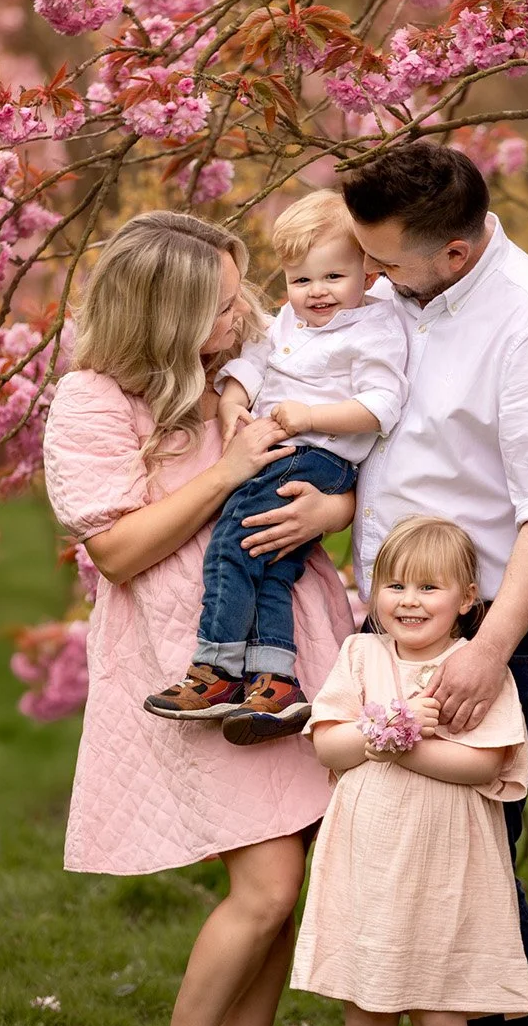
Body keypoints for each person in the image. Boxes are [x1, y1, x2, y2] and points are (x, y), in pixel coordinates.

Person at [242, 142, 528, 1026]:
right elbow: (397, 442)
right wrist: (338, 507)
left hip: (491, 631)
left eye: (385, 263)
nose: (370, 279)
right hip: (391, 623)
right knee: (421, 864)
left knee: (475, 871)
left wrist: (489, 650)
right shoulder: (405, 298)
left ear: (455, 245)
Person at [42, 211, 356, 1026]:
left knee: (287, 874)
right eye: (222, 304)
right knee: (265, 883)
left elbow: (340, 463)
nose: (246, 314)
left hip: (294, 642)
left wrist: (331, 506)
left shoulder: (247, 375)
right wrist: (224, 473)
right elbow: (120, 549)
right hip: (196, 660)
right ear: (166, 312)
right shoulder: (93, 401)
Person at [291, 516, 528, 1026]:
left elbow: (483, 767)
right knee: (366, 1011)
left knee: (440, 1013)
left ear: (467, 599)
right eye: (394, 583)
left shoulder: (476, 670)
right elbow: (327, 744)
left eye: (430, 585)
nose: (410, 599)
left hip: (445, 866)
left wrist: (413, 744)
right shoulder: (361, 658)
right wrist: (383, 729)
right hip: (370, 859)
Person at [144, 192, 407, 745]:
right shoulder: (289, 320)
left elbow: (382, 405)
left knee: (231, 546)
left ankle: (214, 669)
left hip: (321, 455)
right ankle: (275, 682)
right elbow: (254, 360)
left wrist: (310, 414)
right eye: (301, 280)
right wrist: (233, 400)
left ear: (369, 270)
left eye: (334, 276)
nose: (317, 293)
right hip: (282, 450)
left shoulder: (374, 327)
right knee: (269, 561)